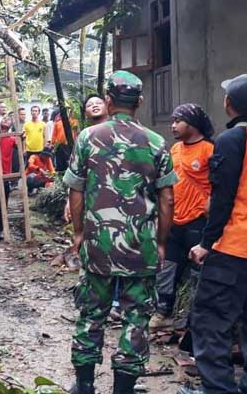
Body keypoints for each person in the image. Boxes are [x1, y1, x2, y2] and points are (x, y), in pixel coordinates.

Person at [65, 71, 177, 394]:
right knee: (136, 317)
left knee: (91, 312)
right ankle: (124, 388)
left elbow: (76, 190)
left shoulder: (88, 138)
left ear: (109, 101)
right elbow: (167, 199)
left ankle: (85, 385)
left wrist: (78, 233)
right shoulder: (156, 143)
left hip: (98, 243)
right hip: (139, 245)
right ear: (139, 103)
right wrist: (160, 242)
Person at [180, 75, 247, 394]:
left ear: (229, 103)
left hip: (235, 245)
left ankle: (218, 389)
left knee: (210, 321)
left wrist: (205, 243)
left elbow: (222, 197)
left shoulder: (230, 140)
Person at [150, 103, 215, 333]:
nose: (173, 126)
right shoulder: (175, 149)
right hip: (174, 220)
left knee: (199, 275)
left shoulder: (209, 150)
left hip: (198, 221)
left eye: (178, 121)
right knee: (167, 268)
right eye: (173, 121)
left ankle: (195, 321)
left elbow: (220, 184)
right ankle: (163, 312)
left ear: (193, 123)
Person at [52, 107, 79, 171]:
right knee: (59, 163)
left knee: (69, 163)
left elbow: (76, 134)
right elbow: (54, 135)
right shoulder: (58, 123)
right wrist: (53, 146)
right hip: (59, 146)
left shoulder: (74, 122)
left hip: (70, 145)